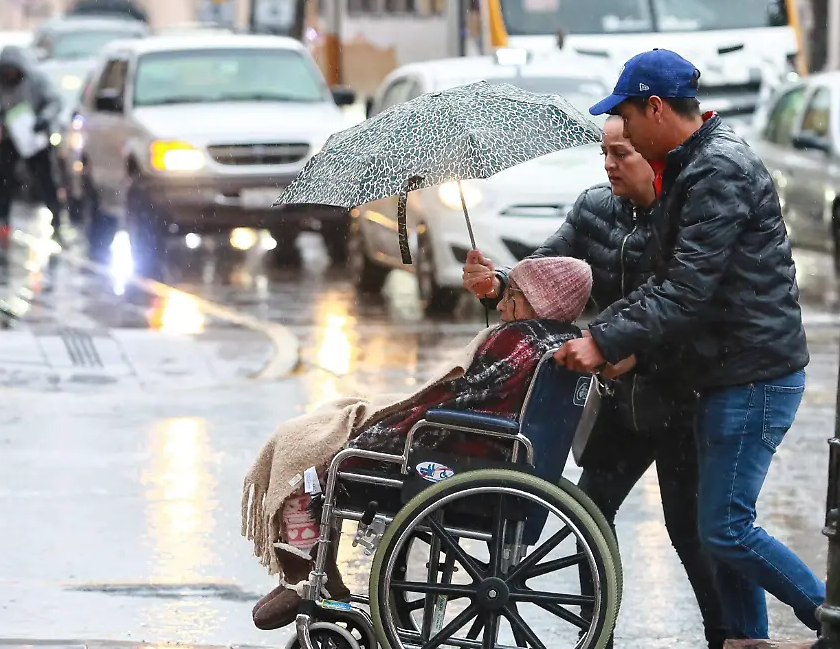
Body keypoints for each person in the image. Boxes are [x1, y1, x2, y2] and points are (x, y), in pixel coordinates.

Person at [553, 48, 825, 640]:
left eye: (627, 117)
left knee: (725, 527)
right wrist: (615, 341)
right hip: (721, 372)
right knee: (715, 530)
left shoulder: (717, 169)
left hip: (753, 374)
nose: (622, 132)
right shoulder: (688, 165)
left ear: (655, 107)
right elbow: (665, 285)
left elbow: (686, 289)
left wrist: (603, 340)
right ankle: (744, 640)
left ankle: (834, 618)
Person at [463, 116, 728, 648]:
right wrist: (497, 285)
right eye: (604, 153)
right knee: (590, 518)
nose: (609, 165)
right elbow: (543, 274)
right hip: (619, 400)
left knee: (689, 530)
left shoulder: (686, 212)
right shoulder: (594, 209)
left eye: (621, 153)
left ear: (653, 152)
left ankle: (727, 636)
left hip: (682, 398)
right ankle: (597, 635)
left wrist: (634, 352)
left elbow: (698, 306)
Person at [240, 256, 594, 631]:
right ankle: (312, 573)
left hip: (454, 458)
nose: (503, 305)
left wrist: (386, 428)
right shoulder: (558, 340)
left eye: (513, 297)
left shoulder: (518, 340)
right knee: (331, 432)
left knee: (312, 463)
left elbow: (456, 403)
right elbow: (469, 395)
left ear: (538, 302)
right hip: (486, 454)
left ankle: (308, 576)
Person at [0, 46, 65, 239]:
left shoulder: (37, 81)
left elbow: (55, 101)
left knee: (45, 179)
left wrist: (44, 118)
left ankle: (57, 221)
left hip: (35, 137)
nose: (9, 75)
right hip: (10, 136)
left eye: (12, 70)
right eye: (5, 71)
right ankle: (2, 219)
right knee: (3, 177)